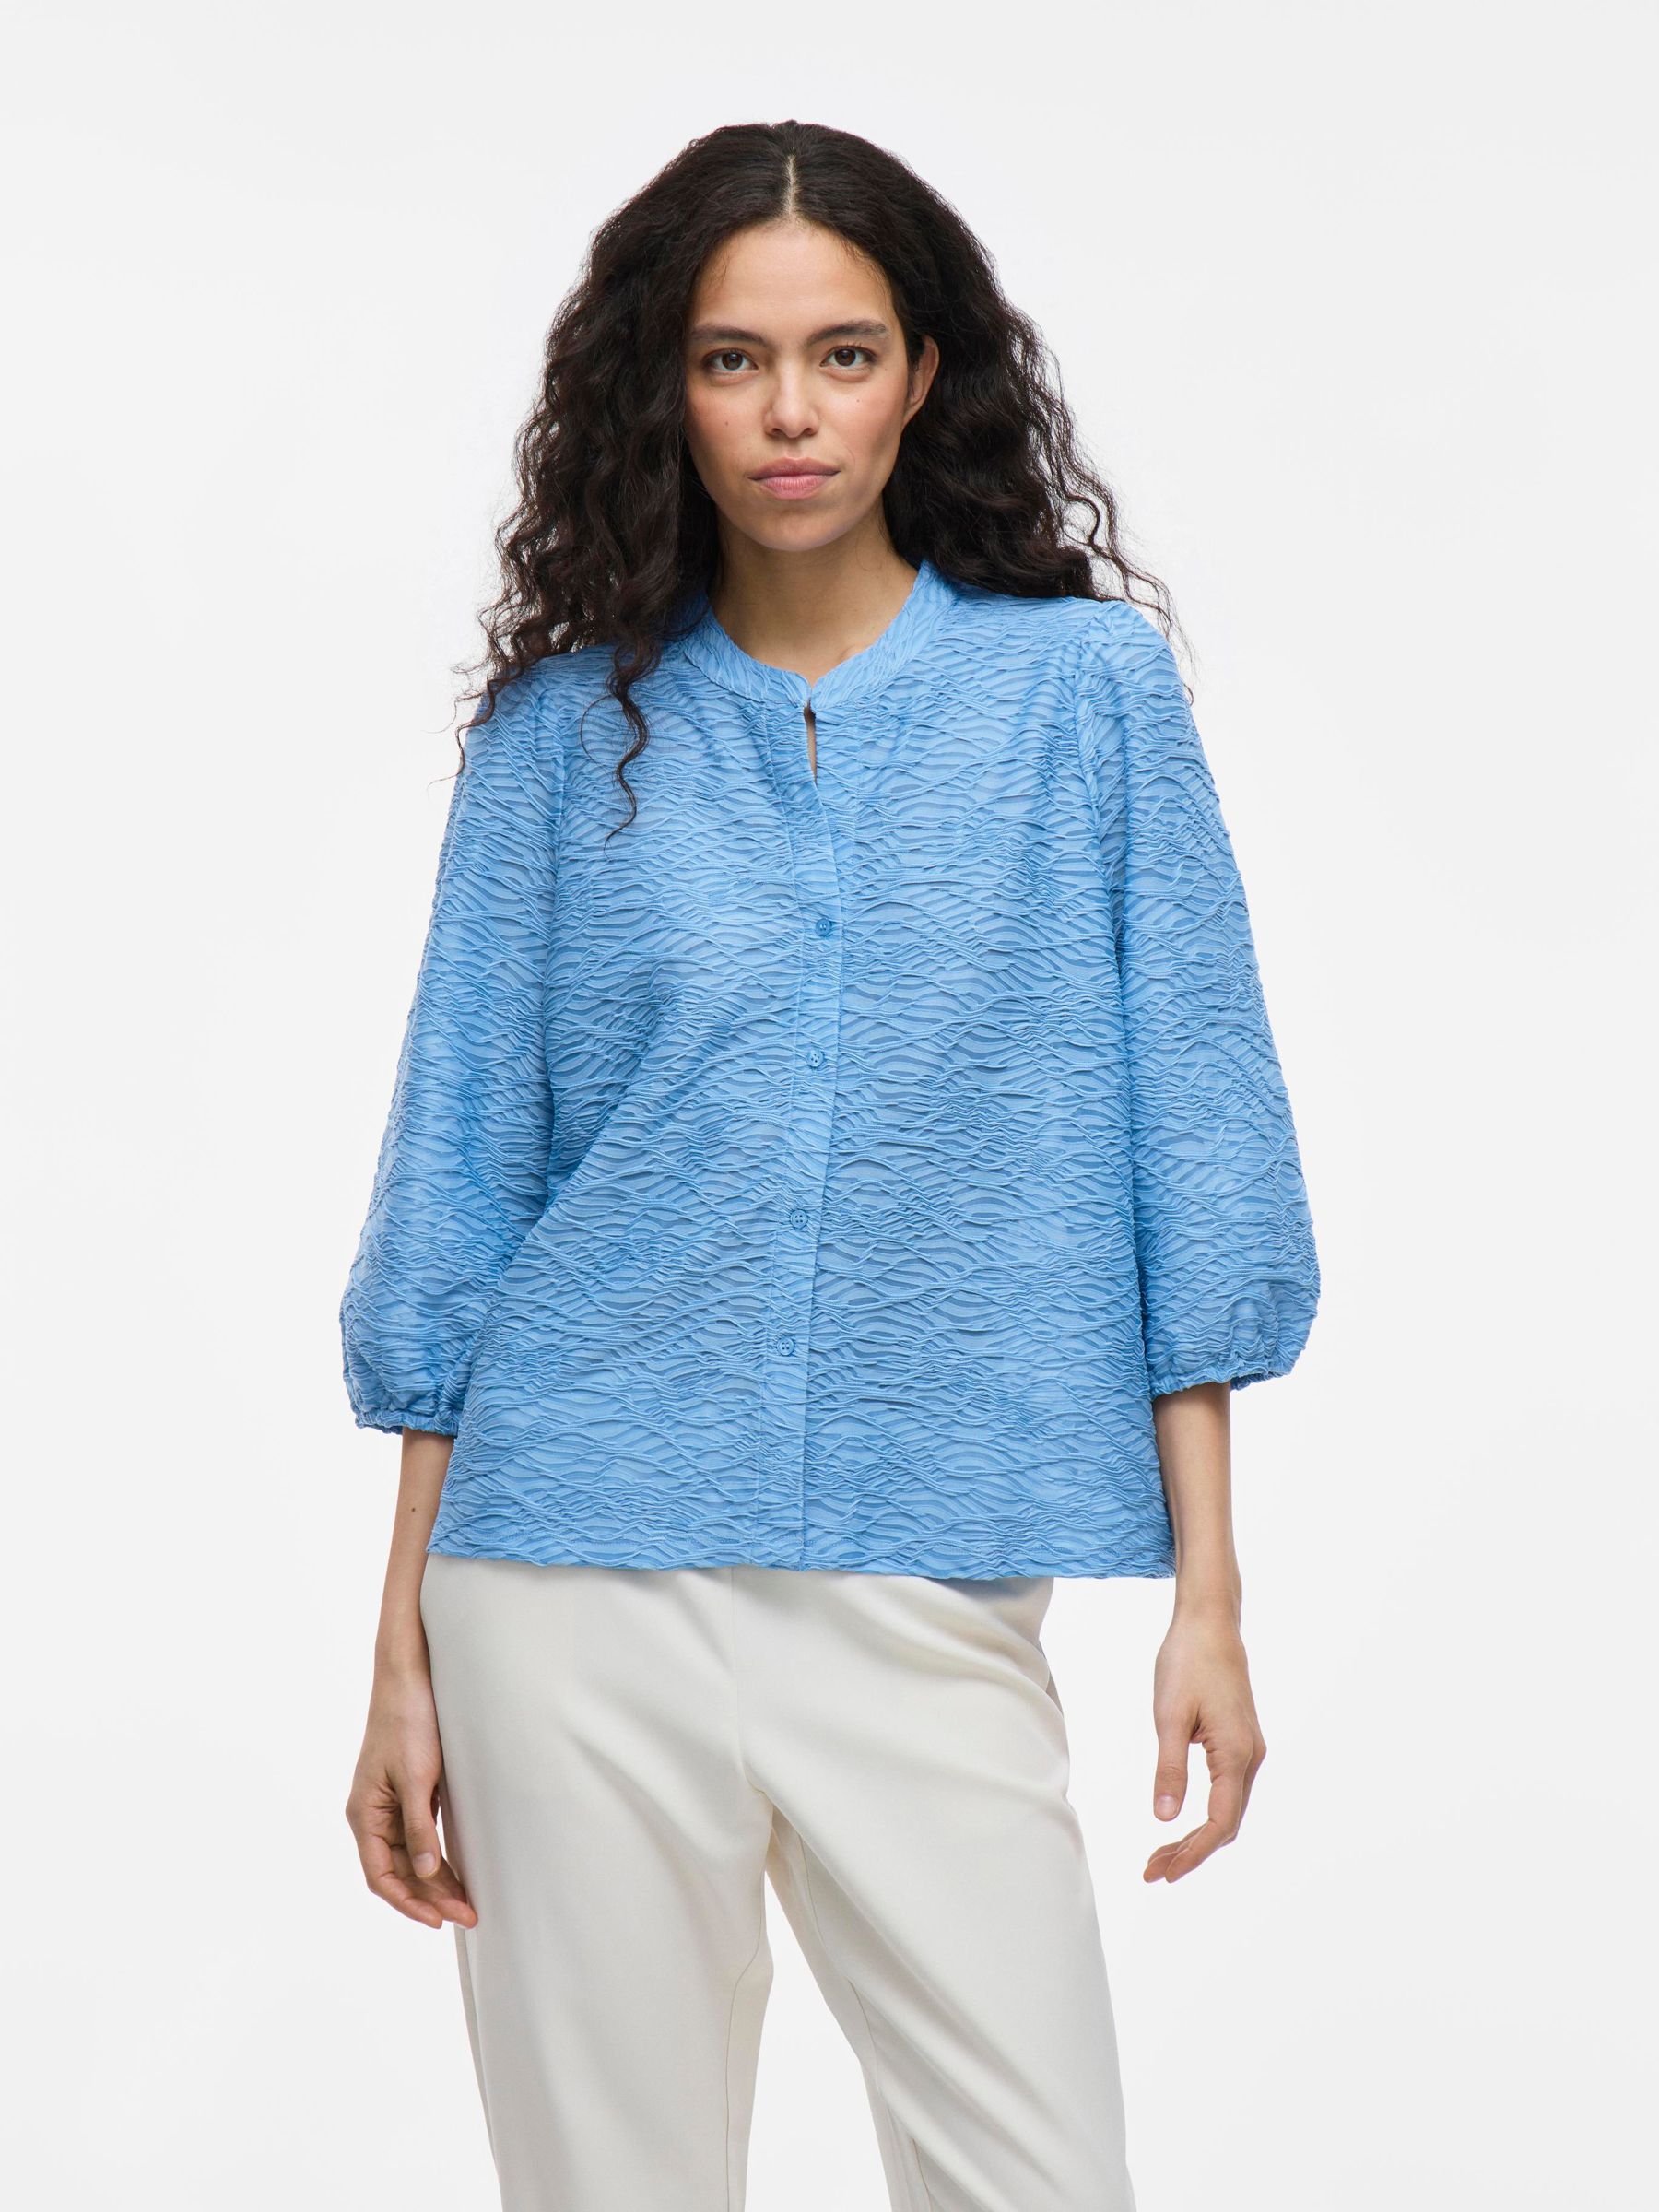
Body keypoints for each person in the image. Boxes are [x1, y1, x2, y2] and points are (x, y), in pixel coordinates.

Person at [339, 118, 1319, 2212]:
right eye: (732, 360)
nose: (791, 411)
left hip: (929, 1571)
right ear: (665, 391)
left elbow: (1198, 1138)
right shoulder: (559, 740)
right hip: (568, 1585)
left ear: (923, 375)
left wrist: (1212, 1598)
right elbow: (458, 1189)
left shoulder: (1083, 700)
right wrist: (400, 1650)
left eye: (844, 354)